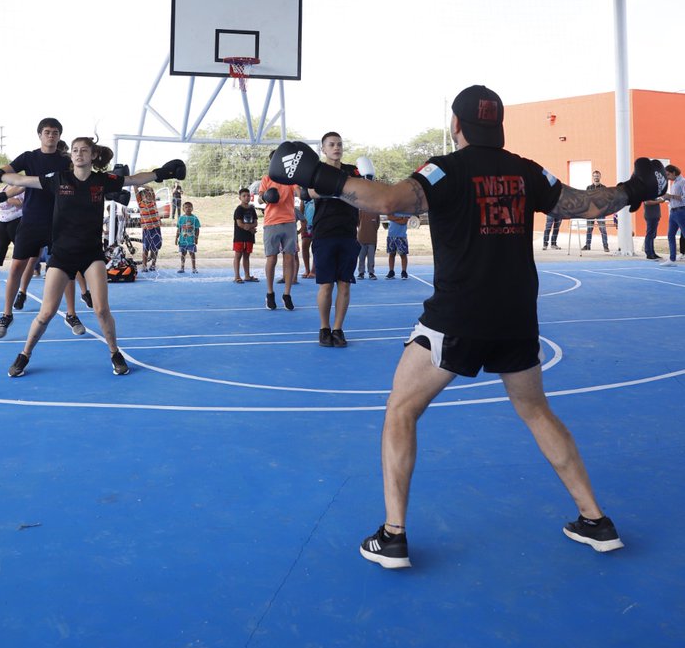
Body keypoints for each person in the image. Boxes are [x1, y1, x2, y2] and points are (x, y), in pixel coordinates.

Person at [266, 86, 663, 566]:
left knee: (400, 411)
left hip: (458, 316)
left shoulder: (444, 170)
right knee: (536, 411)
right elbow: (587, 205)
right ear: (498, 126)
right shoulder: (525, 169)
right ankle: (596, 520)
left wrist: (314, 173)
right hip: (517, 316)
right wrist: (638, 189)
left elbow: (389, 198)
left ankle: (393, 535)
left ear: (456, 125)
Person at [0, 139, 185, 376]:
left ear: (92, 156)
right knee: (46, 313)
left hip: (92, 255)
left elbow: (134, 179)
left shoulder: (102, 181)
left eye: (84, 150)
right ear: (70, 156)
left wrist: (161, 173)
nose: (78, 154)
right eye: (75, 151)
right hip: (61, 256)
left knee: (101, 310)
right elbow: (20, 180)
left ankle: (115, 353)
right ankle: (24, 354)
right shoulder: (57, 179)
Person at [0, 119, 84, 338]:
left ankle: (71, 313)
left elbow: (81, 177)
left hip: (58, 223)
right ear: (40, 134)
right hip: (31, 221)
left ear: (59, 136)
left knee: (66, 270)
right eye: (47, 132)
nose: (51, 136)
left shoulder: (65, 161)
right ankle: (6, 314)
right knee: (16, 268)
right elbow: (11, 174)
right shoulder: (29, 157)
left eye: (55, 133)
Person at [309, 132, 359, 347]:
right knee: (326, 285)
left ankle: (338, 329)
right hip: (324, 233)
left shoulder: (351, 171)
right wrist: (341, 191)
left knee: (345, 285)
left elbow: (361, 191)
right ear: (324, 149)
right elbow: (311, 192)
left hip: (348, 233)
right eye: (331, 144)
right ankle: (324, 328)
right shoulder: (316, 170)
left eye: (339, 144)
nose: (336, 147)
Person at [258, 173, 301, 311]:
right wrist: (265, 197)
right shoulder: (267, 178)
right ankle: (270, 293)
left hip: (289, 221)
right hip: (271, 222)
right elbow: (259, 200)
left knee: (289, 258)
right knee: (271, 259)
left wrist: (304, 188)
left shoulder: (290, 178)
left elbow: (299, 193)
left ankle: (287, 294)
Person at [356, 156, 378, 279]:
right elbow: (358, 222)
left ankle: (371, 272)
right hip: (361, 237)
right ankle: (361, 272)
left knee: (371, 257)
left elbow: (377, 224)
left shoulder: (375, 210)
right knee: (361, 256)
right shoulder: (361, 209)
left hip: (372, 238)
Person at [232, 187, 259, 283]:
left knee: (246, 256)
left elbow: (255, 222)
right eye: (244, 196)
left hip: (249, 237)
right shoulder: (238, 209)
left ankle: (247, 276)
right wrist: (249, 228)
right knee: (238, 255)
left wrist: (251, 228)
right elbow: (239, 223)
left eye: (248, 195)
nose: (246, 197)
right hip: (239, 237)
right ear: (240, 197)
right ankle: (237, 276)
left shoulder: (252, 209)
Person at [661, 164, 685, 264]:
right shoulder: (674, 182)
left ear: (674, 173)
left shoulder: (683, 182)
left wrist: (670, 196)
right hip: (673, 211)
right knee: (670, 235)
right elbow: (673, 197)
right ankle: (672, 259)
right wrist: (666, 197)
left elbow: (684, 198)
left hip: (681, 211)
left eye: (668, 174)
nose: (667, 177)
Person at [135, 184, 162, 272]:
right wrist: (137, 183)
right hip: (146, 230)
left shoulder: (153, 202)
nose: (148, 197)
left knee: (155, 248)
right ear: (141, 197)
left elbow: (151, 188)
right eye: (145, 195)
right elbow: (135, 189)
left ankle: (153, 264)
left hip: (156, 229)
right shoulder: (140, 203)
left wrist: (142, 185)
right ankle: (144, 265)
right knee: (145, 248)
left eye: (149, 195)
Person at [583, 170, 610, 251]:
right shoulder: (588, 188)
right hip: (590, 212)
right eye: (594, 176)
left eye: (597, 176)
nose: (596, 177)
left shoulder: (604, 188)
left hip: (600, 212)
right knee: (589, 229)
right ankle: (587, 246)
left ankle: (606, 246)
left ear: (600, 177)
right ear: (593, 177)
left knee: (603, 229)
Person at [176, 201, 200, 273]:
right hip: (182, 240)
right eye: (186, 207)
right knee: (183, 254)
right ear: (183, 209)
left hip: (191, 241)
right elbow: (179, 229)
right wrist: (176, 238)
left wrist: (196, 239)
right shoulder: (181, 218)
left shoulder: (195, 218)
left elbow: (197, 229)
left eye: (189, 207)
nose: (188, 208)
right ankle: (182, 268)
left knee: (192, 254)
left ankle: (194, 268)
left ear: (192, 208)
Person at [385, 212, 410, 279]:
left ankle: (404, 272)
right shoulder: (392, 208)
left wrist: (394, 219)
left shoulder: (405, 209)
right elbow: (389, 217)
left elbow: (404, 222)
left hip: (401, 236)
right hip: (391, 235)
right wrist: (400, 218)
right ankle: (391, 272)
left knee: (403, 255)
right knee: (391, 254)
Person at [642, 187, 664, 260]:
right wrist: (659, 201)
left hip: (655, 215)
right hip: (650, 215)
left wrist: (659, 200)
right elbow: (647, 202)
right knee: (650, 234)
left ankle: (652, 252)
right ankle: (649, 252)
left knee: (653, 235)